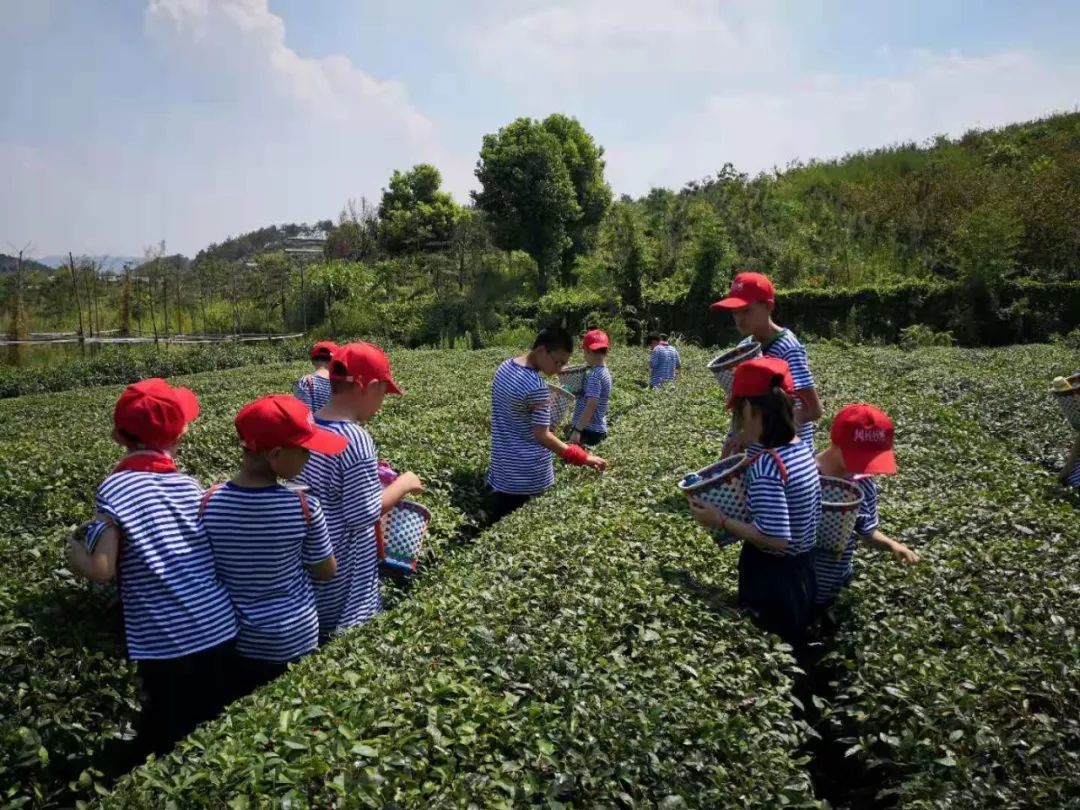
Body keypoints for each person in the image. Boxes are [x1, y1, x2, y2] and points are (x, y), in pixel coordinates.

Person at [65, 378, 237, 756]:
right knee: (216, 734)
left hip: (166, 644)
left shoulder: (115, 489)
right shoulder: (189, 487)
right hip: (220, 627)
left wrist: (73, 553)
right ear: (182, 433)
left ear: (116, 436)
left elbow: (101, 568)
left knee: (171, 741)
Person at [201, 395, 343, 699]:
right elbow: (326, 571)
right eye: (305, 450)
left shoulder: (209, 503)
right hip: (296, 637)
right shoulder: (303, 507)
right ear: (276, 454)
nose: (309, 456)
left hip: (239, 640)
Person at [688, 357, 820, 647]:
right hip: (803, 573)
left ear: (750, 410)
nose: (735, 425)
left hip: (773, 578)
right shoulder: (798, 450)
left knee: (770, 648)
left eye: (737, 414)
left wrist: (719, 520)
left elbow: (775, 538)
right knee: (794, 646)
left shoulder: (768, 467)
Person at [295, 342, 423, 640]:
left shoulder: (307, 426)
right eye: (383, 394)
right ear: (371, 386)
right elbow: (362, 514)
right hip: (346, 574)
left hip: (315, 561)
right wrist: (404, 484)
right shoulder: (356, 439)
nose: (381, 404)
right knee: (346, 641)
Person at [488, 327, 607, 521]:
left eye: (564, 364)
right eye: (558, 362)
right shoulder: (537, 387)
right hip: (528, 477)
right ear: (542, 351)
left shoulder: (504, 367)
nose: (559, 369)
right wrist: (582, 457)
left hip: (502, 472)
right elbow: (543, 435)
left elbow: (512, 414)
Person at [814, 404, 918, 613]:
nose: (865, 465)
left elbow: (866, 530)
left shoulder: (863, 482)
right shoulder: (805, 473)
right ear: (836, 442)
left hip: (837, 580)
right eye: (860, 456)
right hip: (796, 582)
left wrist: (891, 544)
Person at [712, 273, 822, 452]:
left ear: (768, 306)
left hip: (787, 455)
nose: (739, 319)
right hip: (758, 452)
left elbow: (813, 410)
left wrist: (758, 430)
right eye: (734, 312)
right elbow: (743, 407)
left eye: (746, 310)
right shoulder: (746, 347)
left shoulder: (787, 348)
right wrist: (734, 440)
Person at [568, 329, 612, 447]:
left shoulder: (594, 375)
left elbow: (591, 404)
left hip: (588, 430)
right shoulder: (604, 372)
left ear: (587, 351)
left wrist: (577, 430)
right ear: (606, 351)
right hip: (598, 428)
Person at [294, 340, 337, 413]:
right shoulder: (341, 383)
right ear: (335, 361)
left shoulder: (306, 382)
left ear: (313, 361)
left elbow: (304, 414)